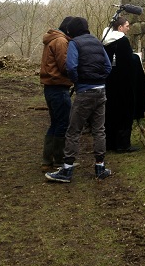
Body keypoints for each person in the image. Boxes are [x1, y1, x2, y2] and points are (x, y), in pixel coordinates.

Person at [45, 17, 112, 183]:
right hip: (101, 91)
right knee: (99, 130)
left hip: (84, 92)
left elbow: (71, 67)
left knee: (73, 130)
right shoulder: (97, 43)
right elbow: (108, 66)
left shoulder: (75, 43)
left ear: (72, 30)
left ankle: (66, 170)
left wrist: (78, 82)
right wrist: (100, 79)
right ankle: (100, 167)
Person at [102, 16, 145, 153]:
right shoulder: (122, 40)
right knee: (124, 111)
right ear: (120, 28)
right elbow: (128, 62)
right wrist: (137, 57)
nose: (129, 29)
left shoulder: (106, 41)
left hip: (110, 83)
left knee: (111, 111)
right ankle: (122, 144)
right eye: (127, 26)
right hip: (123, 84)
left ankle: (110, 142)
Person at [39, 16, 74, 171]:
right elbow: (65, 66)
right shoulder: (61, 41)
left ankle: (47, 160)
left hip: (51, 88)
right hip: (58, 87)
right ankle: (59, 161)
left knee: (55, 123)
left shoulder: (52, 39)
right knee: (63, 123)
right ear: (68, 29)